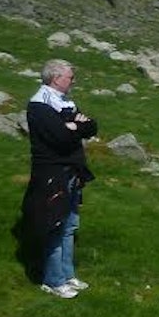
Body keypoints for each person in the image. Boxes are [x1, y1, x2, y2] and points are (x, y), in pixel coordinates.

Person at [24, 58, 97, 297]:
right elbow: (61, 139)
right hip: (52, 173)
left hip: (72, 171)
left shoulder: (65, 102)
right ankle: (53, 280)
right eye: (70, 77)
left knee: (69, 226)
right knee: (55, 225)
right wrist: (74, 127)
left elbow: (92, 126)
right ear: (56, 78)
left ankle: (67, 275)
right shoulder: (40, 105)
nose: (73, 81)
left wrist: (74, 126)